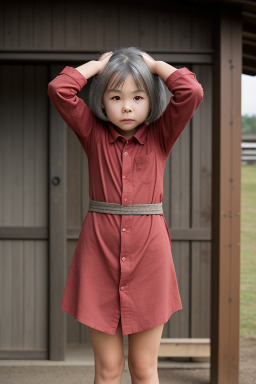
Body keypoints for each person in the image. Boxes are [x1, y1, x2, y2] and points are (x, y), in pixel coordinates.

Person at [48, 46, 204, 384]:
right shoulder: (93, 133)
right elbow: (59, 90)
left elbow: (191, 91)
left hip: (150, 254)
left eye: (137, 97)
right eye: (116, 97)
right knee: (107, 370)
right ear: (102, 102)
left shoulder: (162, 136)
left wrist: (155, 65)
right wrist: (97, 66)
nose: (128, 106)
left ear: (151, 101)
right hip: (98, 253)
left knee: (145, 369)